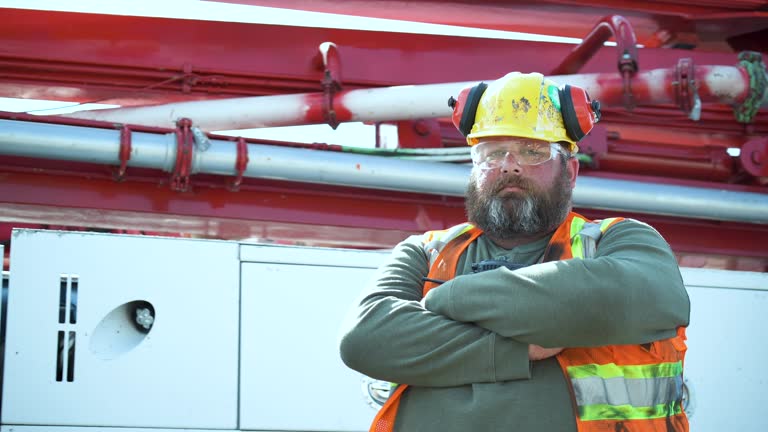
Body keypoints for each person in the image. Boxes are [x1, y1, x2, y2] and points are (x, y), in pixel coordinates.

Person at [338, 72, 691, 432]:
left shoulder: (618, 240)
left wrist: (449, 299)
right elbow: (364, 339)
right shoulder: (427, 251)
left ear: (570, 171)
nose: (510, 164)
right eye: (492, 153)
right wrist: (514, 350)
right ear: (474, 169)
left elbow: (641, 297)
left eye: (533, 151)